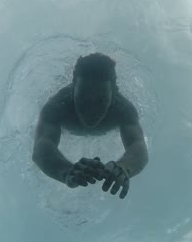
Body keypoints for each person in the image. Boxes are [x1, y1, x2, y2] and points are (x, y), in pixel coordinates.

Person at [32, 53, 149, 199]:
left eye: (101, 101)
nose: (91, 111)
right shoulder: (56, 106)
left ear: (113, 91)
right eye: (83, 98)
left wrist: (124, 168)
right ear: (73, 86)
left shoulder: (123, 109)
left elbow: (138, 144)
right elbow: (41, 146)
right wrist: (66, 171)